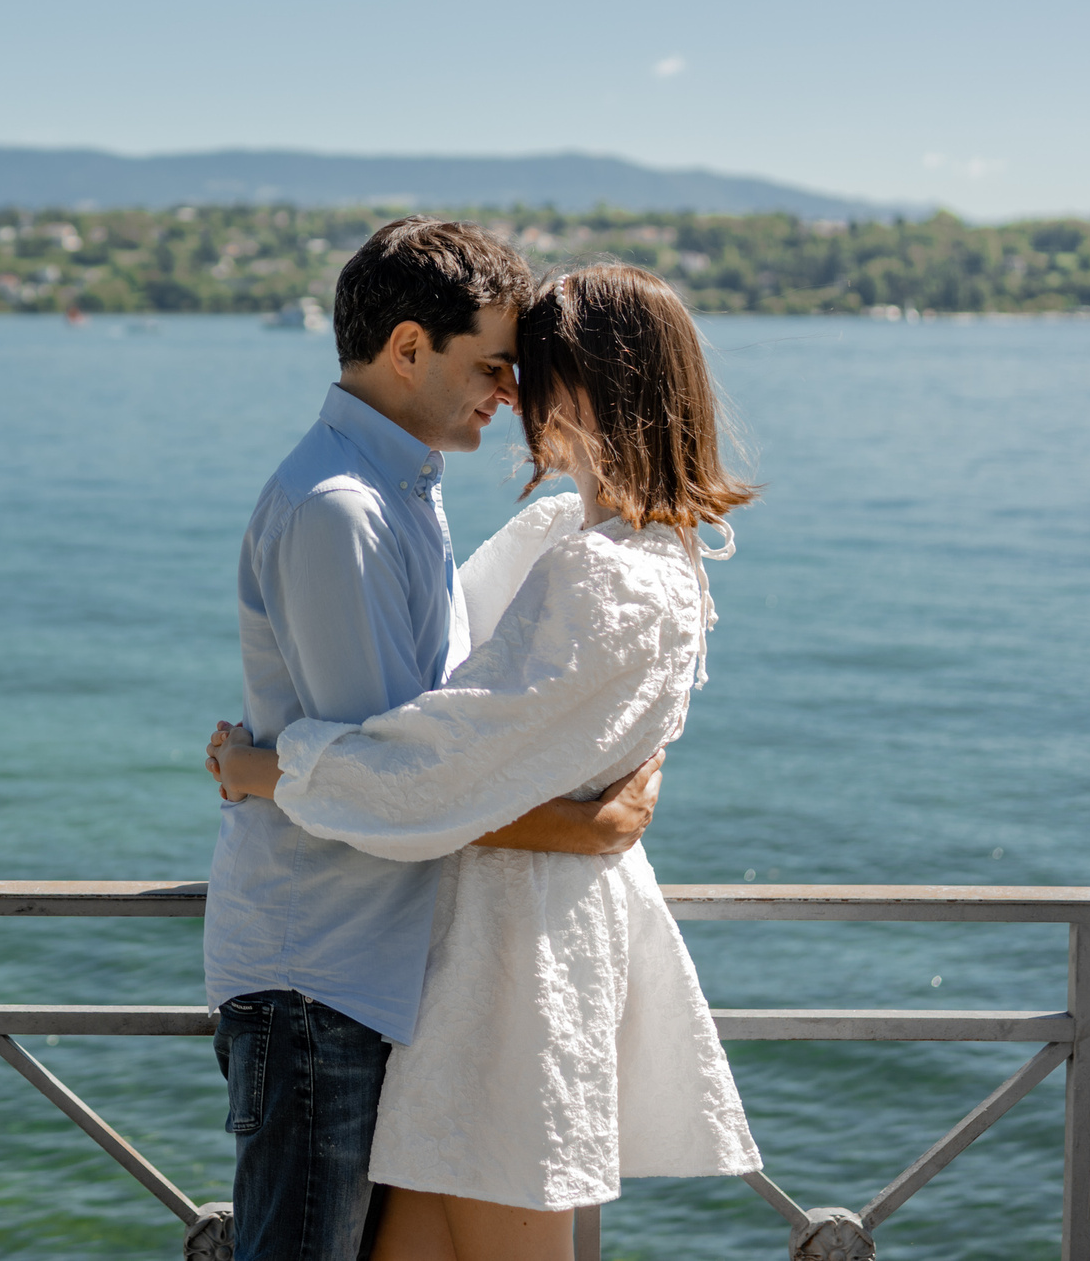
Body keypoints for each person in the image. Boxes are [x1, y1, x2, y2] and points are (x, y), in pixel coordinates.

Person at [211, 262, 764, 1261]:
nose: (514, 397)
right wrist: (579, 820)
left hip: (516, 961)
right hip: (481, 948)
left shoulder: (609, 572)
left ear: (592, 382)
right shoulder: (591, 539)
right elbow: (464, 715)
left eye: (534, 370)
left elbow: (446, 764)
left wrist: (275, 768)